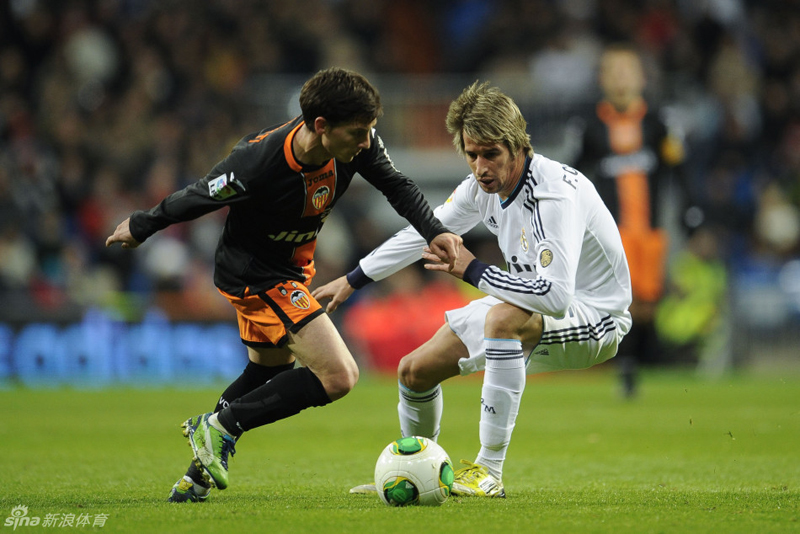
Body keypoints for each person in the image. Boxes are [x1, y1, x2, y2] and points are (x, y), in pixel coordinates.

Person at [105, 67, 461, 503]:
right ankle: (218, 427)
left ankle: (195, 477)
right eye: (358, 132)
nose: (367, 142)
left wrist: (434, 230)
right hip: (255, 276)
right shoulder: (258, 161)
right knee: (339, 375)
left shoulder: (356, 144)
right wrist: (141, 225)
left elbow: (398, 186)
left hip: (292, 272)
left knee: (267, 372)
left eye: (370, 130)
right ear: (320, 126)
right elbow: (200, 195)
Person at [313, 81, 632, 497]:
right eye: (472, 154)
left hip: (596, 317)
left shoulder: (553, 196)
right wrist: (353, 279)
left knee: (502, 318)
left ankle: (489, 471)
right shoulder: (481, 189)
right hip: (525, 301)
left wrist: (473, 270)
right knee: (413, 371)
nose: (480, 167)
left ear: (518, 146)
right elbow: (424, 234)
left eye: (491, 154)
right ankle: (413, 473)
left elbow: (556, 298)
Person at [571, 43, 687, 397]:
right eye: (613, 71)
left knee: (648, 303)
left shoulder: (659, 123)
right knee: (624, 299)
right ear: (603, 79)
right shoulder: (590, 126)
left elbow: (678, 169)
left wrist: (690, 210)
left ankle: (637, 360)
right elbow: (575, 173)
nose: (621, 78)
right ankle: (627, 367)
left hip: (650, 229)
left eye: (627, 70)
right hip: (612, 230)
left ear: (640, 77)